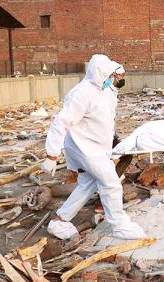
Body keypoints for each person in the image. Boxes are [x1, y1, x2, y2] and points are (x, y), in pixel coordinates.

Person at [41, 54, 146, 240]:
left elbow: (105, 117)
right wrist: (51, 155)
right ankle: (119, 226)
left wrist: (113, 139)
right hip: (85, 149)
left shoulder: (103, 90)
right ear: (102, 75)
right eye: (112, 76)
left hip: (95, 146)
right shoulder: (81, 94)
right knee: (111, 183)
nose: (116, 79)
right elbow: (60, 122)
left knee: (88, 184)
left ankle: (60, 220)